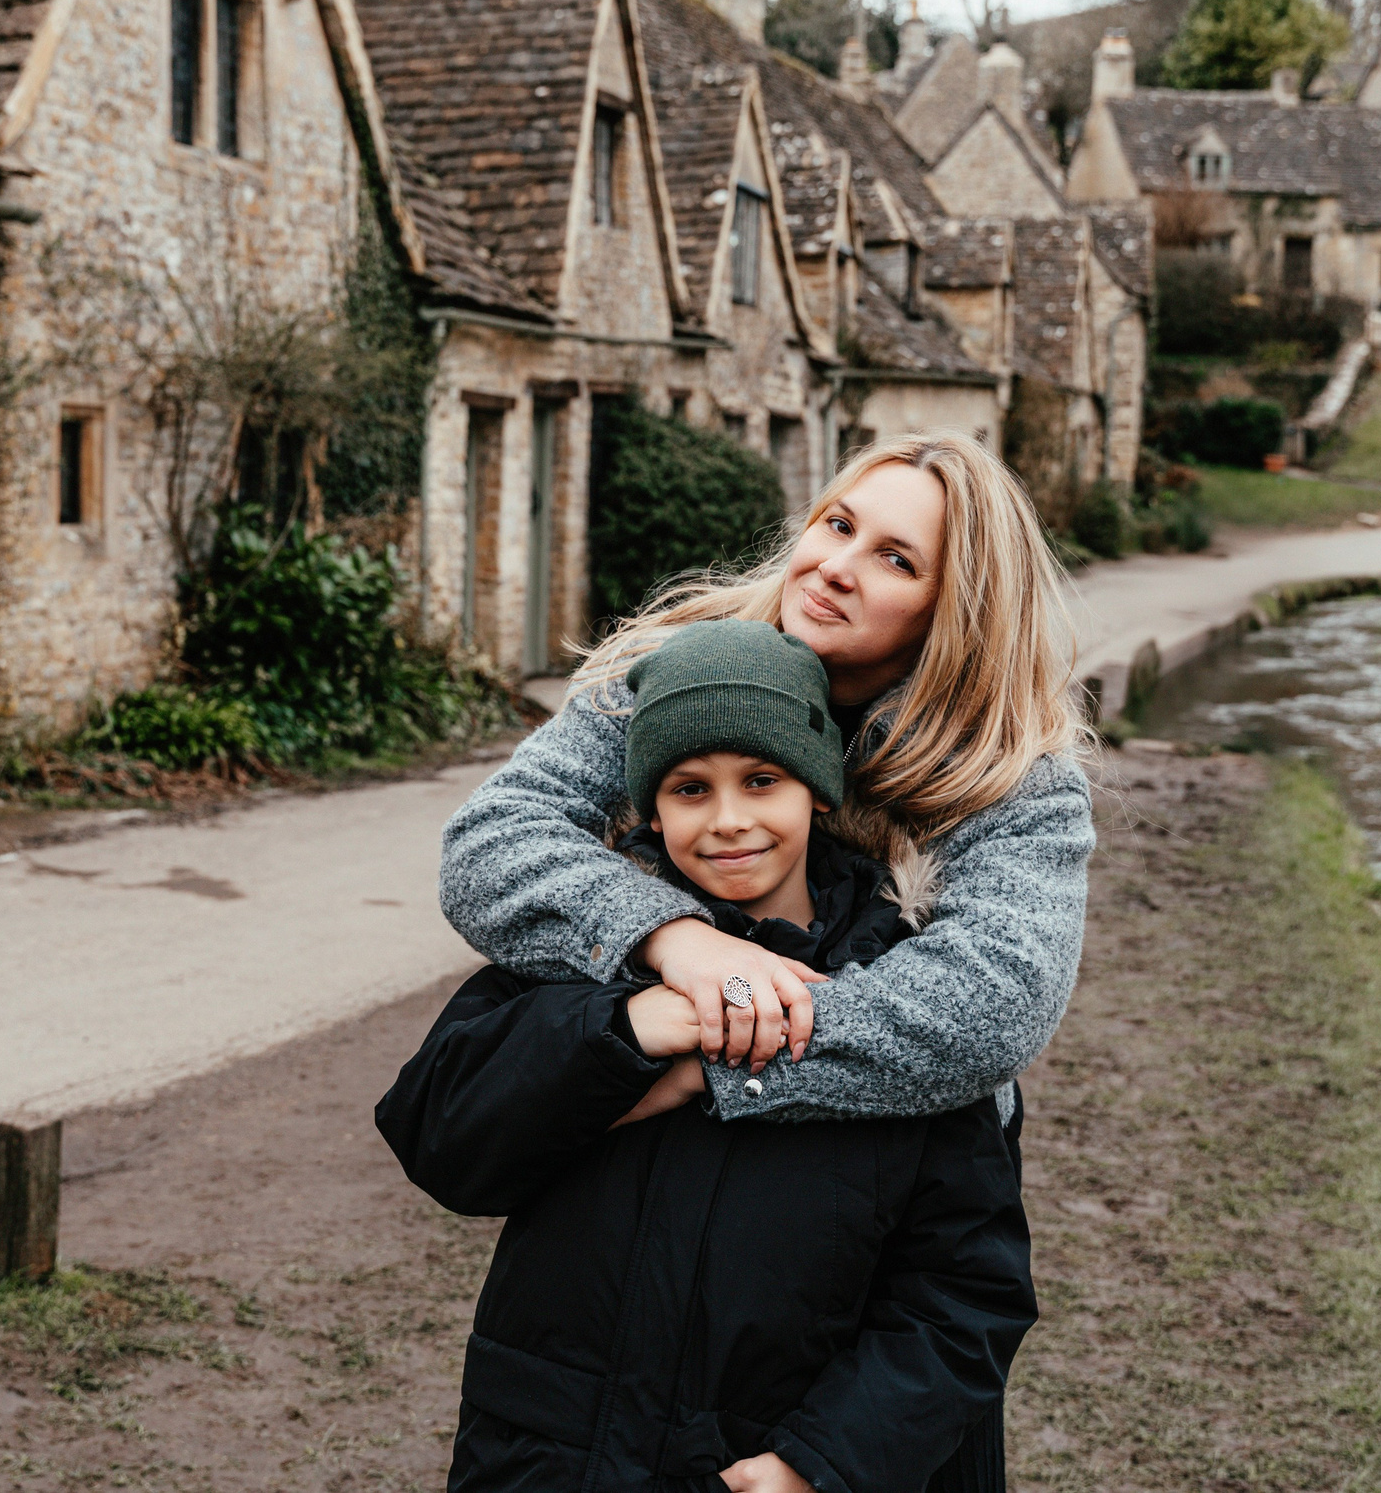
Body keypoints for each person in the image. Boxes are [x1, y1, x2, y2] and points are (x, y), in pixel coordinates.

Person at [438, 431, 1095, 1483]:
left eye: (894, 557)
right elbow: (491, 844)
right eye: (836, 523)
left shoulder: (1009, 772)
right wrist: (673, 939)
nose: (835, 562)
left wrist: (707, 1049)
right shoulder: (681, 669)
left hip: (868, 1193)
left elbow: (991, 1004)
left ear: (953, 608)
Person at [380, 620, 1037, 1493]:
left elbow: (964, 1296)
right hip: (554, 1457)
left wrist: (823, 1462)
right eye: (690, 789)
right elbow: (442, 1140)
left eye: (762, 781)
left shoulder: (906, 997)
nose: (729, 821)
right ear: (651, 808)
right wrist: (632, 1031)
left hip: (767, 1466)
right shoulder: (581, 954)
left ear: (819, 791)